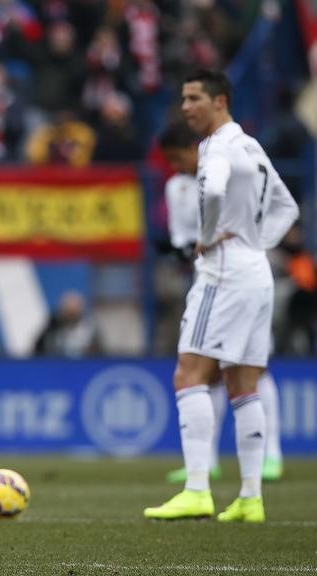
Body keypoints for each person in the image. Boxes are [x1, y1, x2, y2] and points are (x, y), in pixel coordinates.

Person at [144, 70, 299, 523]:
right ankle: (251, 498)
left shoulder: (216, 146)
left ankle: (197, 489)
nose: (186, 106)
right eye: (184, 98)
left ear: (220, 100)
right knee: (243, 385)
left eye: (194, 98)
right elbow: (286, 206)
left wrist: (208, 237)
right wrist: (254, 240)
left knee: (188, 375)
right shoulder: (249, 144)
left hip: (224, 273)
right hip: (256, 271)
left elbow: (211, 189)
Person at [157, 119, 285, 485]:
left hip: (245, 276)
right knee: (206, 373)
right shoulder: (176, 187)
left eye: (176, 157)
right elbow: (184, 239)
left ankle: (270, 455)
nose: (174, 166)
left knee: (254, 368)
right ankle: (206, 460)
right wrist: (180, 247)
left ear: (191, 149)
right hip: (208, 280)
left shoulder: (226, 172)